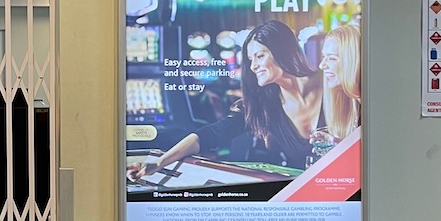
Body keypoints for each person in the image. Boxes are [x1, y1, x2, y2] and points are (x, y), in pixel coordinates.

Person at [130, 20, 321, 177]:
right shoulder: (263, 106)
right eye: (250, 60)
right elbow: (209, 135)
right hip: (301, 195)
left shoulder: (329, 86)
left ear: (282, 51)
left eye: (260, 56)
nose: (253, 67)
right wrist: (159, 162)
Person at [319, 23, 361, 140]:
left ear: (353, 61)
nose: (321, 66)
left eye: (332, 58)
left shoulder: (377, 111)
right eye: (323, 57)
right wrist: (337, 145)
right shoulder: (352, 104)